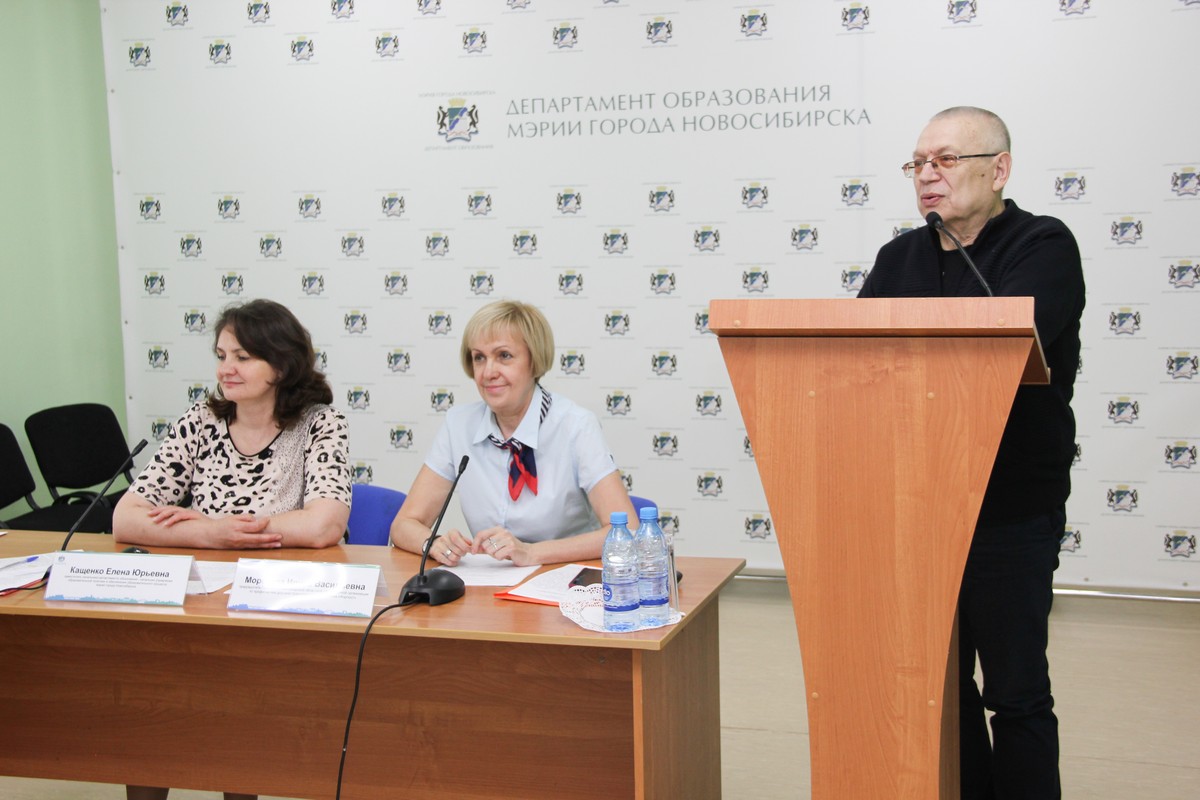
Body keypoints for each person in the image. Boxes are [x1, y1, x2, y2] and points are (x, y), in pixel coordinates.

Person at [857, 107, 1084, 800]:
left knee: (1015, 691)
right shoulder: (899, 258)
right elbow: (856, 362)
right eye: (918, 163)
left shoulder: (1043, 244)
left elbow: (1008, 346)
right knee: (940, 689)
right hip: (917, 506)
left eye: (947, 160)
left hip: (1007, 507)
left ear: (999, 169)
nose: (928, 174)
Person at [113, 299, 352, 800]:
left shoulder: (320, 424)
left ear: (281, 364)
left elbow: (324, 525)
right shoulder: (201, 420)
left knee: (239, 719)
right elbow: (126, 518)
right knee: (149, 700)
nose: (226, 368)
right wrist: (206, 535)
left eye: (243, 357)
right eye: (221, 355)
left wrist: (219, 526)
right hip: (200, 600)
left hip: (278, 604)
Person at [390, 299, 635, 566]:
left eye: (504, 356)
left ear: (534, 360)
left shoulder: (576, 425)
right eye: (479, 358)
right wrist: (434, 543)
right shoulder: (458, 424)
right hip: (490, 585)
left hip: (564, 579)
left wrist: (531, 553)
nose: (488, 372)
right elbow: (403, 525)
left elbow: (627, 532)